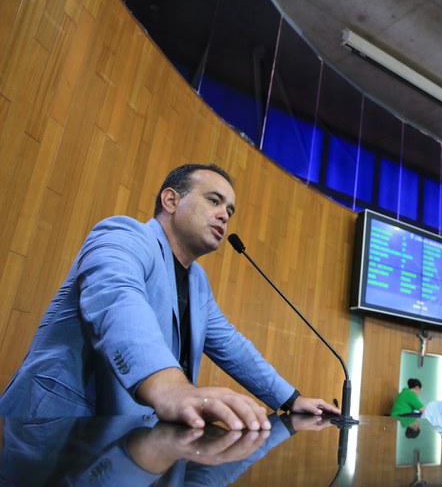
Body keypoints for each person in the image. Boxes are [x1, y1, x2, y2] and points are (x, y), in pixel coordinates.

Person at [0, 164, 339, 430]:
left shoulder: (198, 282)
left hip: (125, 444)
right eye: (214, 201)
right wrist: (172, 389)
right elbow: (118, 301)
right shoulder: (124, 235)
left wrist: (291, 399)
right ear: (171, 201)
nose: (225, 214)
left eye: (230, 210)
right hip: (49, 430)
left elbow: (233, 347)